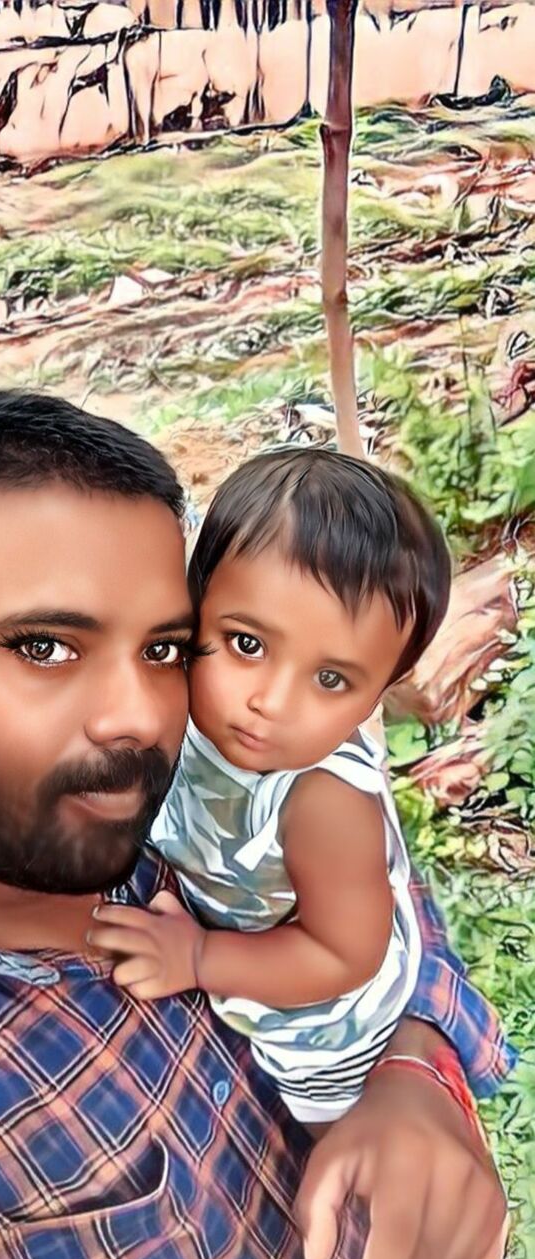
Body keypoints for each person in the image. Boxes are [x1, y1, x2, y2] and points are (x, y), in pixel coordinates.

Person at [0, 391, 514, 1259]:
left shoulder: (207, 770)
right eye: (43, 646)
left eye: (164, 649)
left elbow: (382, 908)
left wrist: (418, 1071)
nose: (138, 716)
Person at [90, 449, 450, 1125]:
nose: (272, 703)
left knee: (320, 1147)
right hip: (246, 936)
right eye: (248, 644)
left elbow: (342, 955)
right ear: (195, 600)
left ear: (380, 691)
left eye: (332, 679)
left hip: (329, 1029)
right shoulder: (175, 694)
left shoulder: (323, 802)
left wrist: (200, 956)